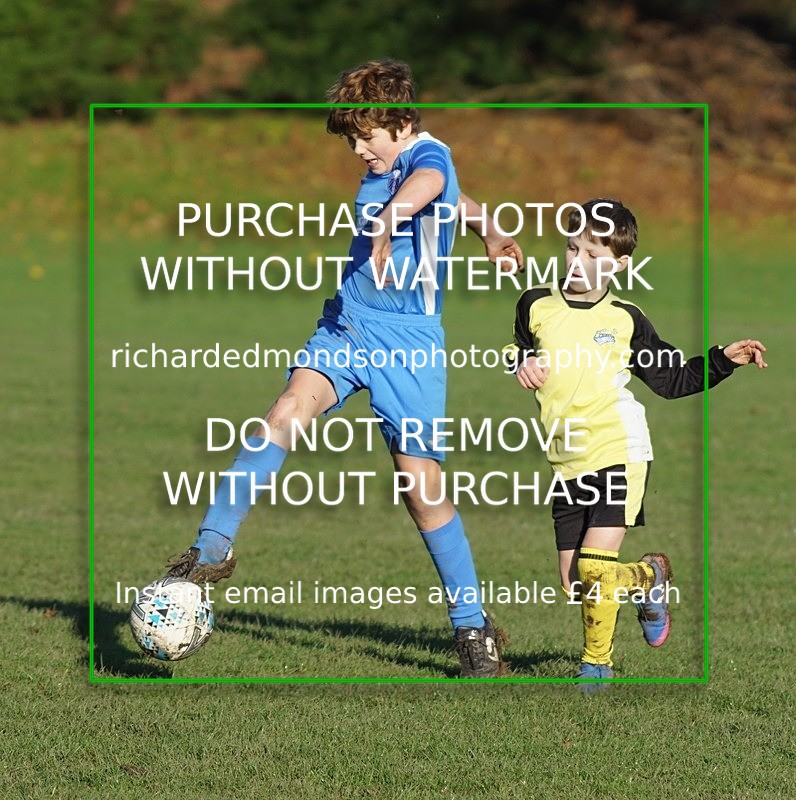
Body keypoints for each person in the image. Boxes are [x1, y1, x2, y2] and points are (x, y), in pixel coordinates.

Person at [165, 59, 523, 677]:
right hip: (347, 324)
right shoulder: (400, 158)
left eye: (368, 139)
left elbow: (434, 182)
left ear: (403, 123)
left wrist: (388, 221)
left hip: (408, 344)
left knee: (421, 491)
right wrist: (489, 230)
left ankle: (473, 627)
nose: (359, 151)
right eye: (352, 140)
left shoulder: (426, 156)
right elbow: (455, 195)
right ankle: (211, 547)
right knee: (283, 413)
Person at [505, 198, 767, 690]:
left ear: (619, 264)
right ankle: (649, 578)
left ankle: (596, 666)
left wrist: (722, 359)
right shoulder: (535, 303)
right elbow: (516, 348)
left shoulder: (627, 319)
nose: (576, 262)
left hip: (619, 450)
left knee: (595, 567)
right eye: (571, 248)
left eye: (591, 254)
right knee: (574, 582)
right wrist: (519, 365)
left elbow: (673, 380)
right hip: (565, 459)